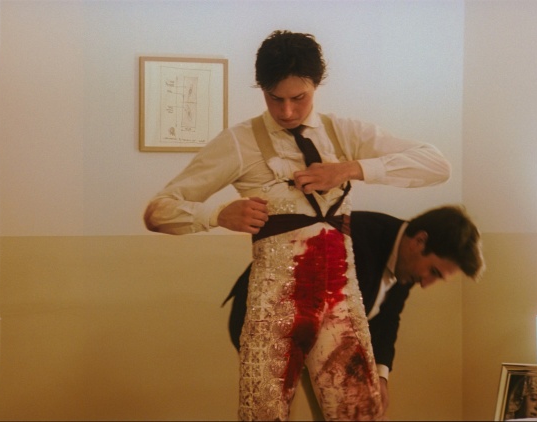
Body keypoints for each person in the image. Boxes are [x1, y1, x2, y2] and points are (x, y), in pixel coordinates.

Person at [143, 30, 451, 421]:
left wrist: (350, 169)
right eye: (275, 98)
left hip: (342, 306)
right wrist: (217, 215)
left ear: (316, 86)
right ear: (262, 90)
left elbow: (437, 165)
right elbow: (158, 211)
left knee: (362, 415)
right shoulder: (238, 141)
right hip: (274, 310)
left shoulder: (343, 133)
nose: (287, 112)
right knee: (264, 416)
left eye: (298, 98)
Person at [223, 206, 485, 417]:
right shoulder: (353, 239)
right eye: (434, 272)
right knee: (276, 412)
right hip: (268, 320)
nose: (427, 283)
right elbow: (333, 326)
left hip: (321, 332)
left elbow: (388, 318)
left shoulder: (408, 262)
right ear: (420, 241)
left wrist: (380, 376)